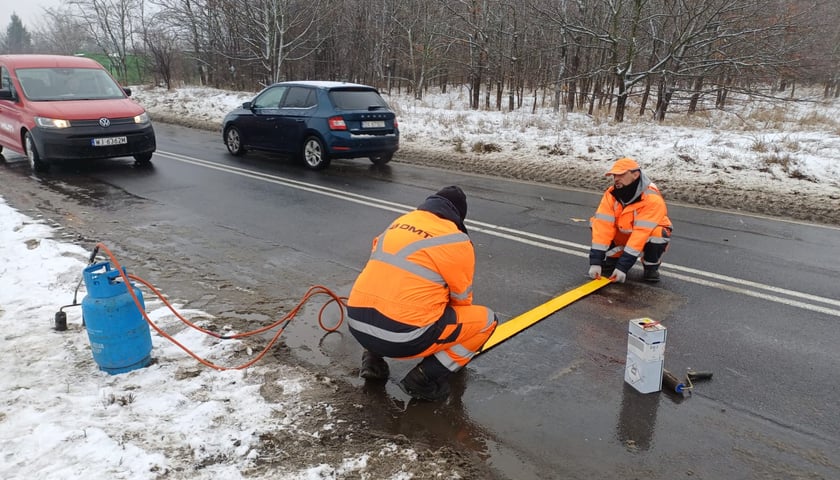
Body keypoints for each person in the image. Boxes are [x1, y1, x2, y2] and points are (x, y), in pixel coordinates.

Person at [346, 186, 498, 402]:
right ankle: (423, 378)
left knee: (382, 294)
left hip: (356, 323)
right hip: (403, 338)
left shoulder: (399, 223)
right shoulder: (456, 240)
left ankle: (372, 361)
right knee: (487, 321)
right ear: (457, 216)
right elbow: (462, 302)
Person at [588, 158, 673, 283]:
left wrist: (623, 267)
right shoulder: (611, 194)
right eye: (614, 175)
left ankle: (651, 266)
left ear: (636, 174)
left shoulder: (652, 198)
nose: (616, 178)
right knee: (596, 222)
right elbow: (603, 226)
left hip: (644, 235)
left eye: (621, 174)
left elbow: (641, 233)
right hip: (625, 232)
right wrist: (596, 262)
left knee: (658, 234)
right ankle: (613, 259)